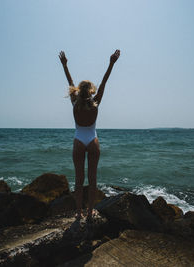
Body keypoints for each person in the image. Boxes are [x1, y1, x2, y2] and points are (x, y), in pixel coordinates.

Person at [59, 49, 120, 221]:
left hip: (79, 141)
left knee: (79, 180)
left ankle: (78, 212)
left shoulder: (74, 102)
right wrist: (111, 63)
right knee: (92, 180)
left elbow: (69, 81)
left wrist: (65, 65)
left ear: (79, 90)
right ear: (91, 90)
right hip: (93, 141)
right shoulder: (95, 102)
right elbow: (104, 81)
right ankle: (90, 212)